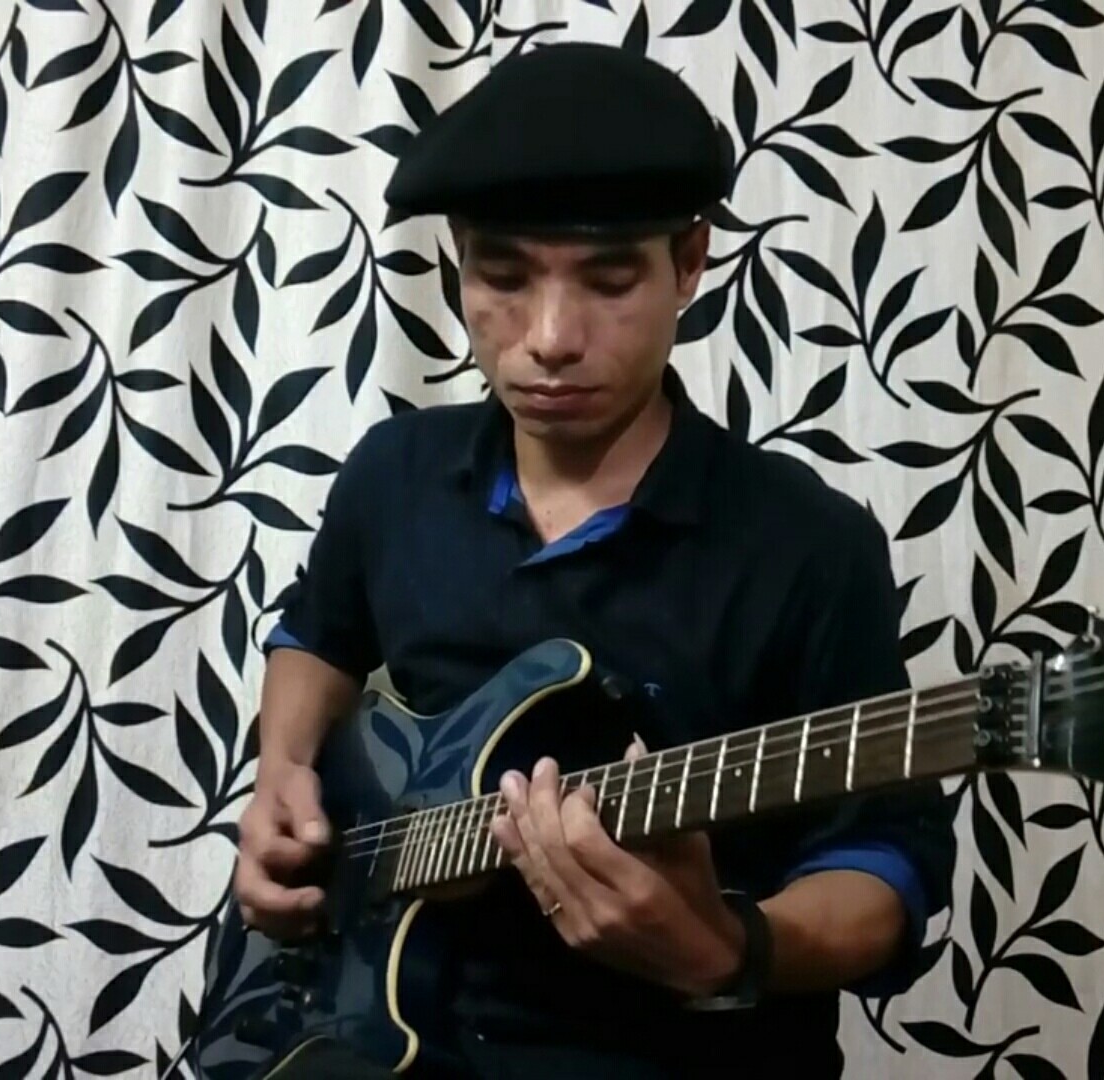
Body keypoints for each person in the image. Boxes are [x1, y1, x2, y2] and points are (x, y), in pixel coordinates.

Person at [231, 41, 957, 1079]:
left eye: (609, 281)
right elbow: (316, 634)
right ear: (457, 264)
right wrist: (282, 773)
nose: (550, 338)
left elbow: (888, 865)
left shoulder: (810, 543)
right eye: (503, 277)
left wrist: (731, 949)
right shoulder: (393, 476)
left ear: (690, 262)